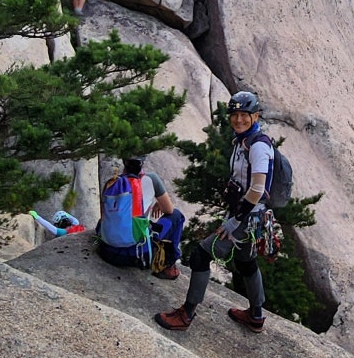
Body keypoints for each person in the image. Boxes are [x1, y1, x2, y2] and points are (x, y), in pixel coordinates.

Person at [154, 91, 274, 333]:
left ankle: (186, 315)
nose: (238, 120)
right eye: (235, 115)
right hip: (251, 216)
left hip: (247, 217)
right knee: (246, 261)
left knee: (200, 256)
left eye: (244, 115)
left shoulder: (259, 146)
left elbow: (258, 188)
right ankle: (256, 315)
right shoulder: (243, 142)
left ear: (256, 116)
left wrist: (234, 220)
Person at [98, 156, 186, 279]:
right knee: (177, 215)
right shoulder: (151, 179)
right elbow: (168, 210)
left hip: (108, 252)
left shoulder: (112, 182)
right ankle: (168, 264)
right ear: (142, 163)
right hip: (137, 255)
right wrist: (158, 201)